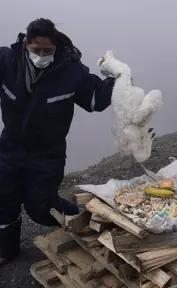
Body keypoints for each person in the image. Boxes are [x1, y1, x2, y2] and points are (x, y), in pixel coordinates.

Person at [0, 18, 115, 265]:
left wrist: (120, 80)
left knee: (41, 208)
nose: (41, 55)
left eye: (47, 51)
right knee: (3, 200)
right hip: (10, 149)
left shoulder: (70, 71)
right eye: (36, 50)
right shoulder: (7, 62)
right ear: (25, 45)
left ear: (56, 47)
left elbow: (96, 99)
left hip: (47, 154)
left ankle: (83, 219)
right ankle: (6, 250)